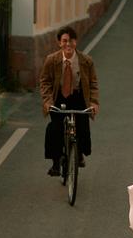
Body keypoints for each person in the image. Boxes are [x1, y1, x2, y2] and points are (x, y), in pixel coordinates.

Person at [40, 26, 99, 176]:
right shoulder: (51, 60)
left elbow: (93, 83)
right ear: (59, 43)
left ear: (76, 42)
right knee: (55, 129)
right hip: (59, 98)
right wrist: (47, 101)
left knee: (83, 128)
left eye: (71, 41)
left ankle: (79, 154)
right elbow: (45, 81)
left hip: (78, 97)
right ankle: (55, 163)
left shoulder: (86, 61)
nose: (68, 44)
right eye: (64, 41)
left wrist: (93, 103)